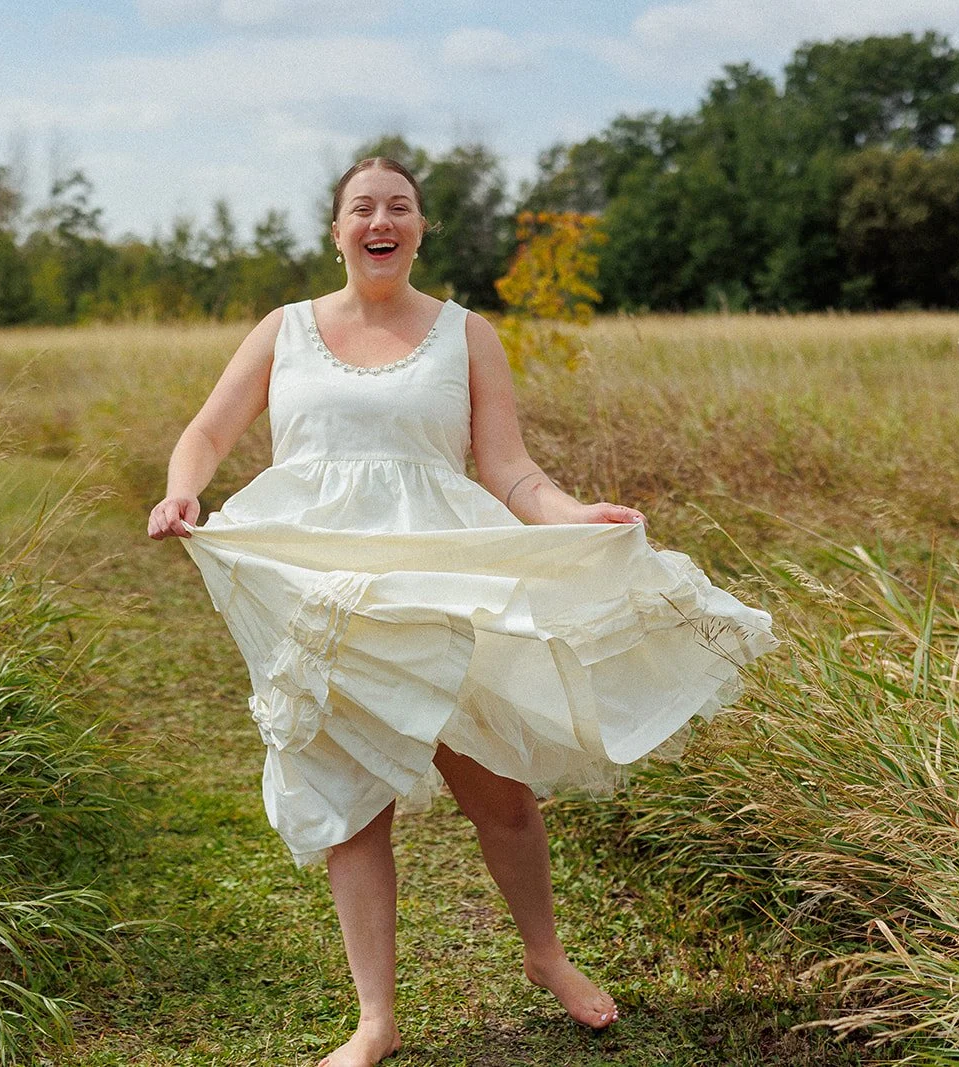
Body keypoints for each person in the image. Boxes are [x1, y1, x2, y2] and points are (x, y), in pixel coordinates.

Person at [148, 157, 776, 1067]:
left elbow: (510, 470)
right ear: (336, 230)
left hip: (441, 577)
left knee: (499, 791)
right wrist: (183, 493)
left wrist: (575, 517)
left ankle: (545, 955)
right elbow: (207, 432)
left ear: (420, 228)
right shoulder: (283, 331)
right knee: (353, 804)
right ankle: (375, 1020)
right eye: (361, 207)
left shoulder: (465, 333)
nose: (380, 218)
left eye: (398, 206)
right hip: (325, 586)